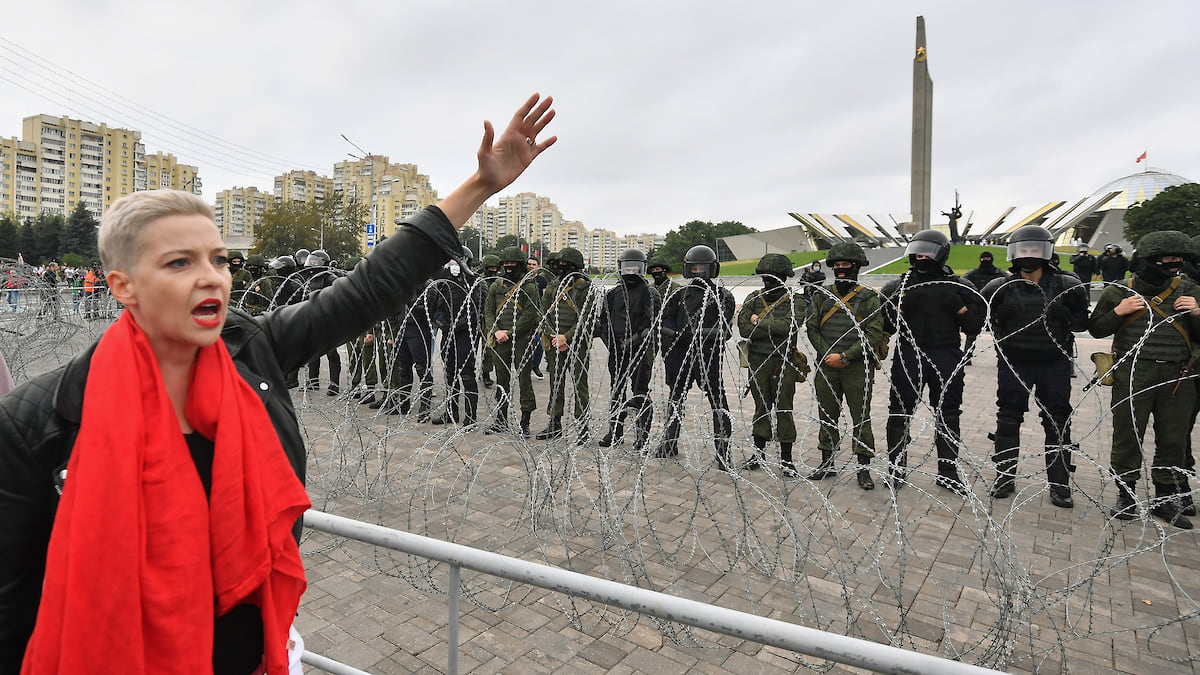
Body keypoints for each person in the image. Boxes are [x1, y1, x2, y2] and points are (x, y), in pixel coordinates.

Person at [0, 93, 557, 672]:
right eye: (179, 263)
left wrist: (478, 186)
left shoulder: (255, 353)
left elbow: (368, 290)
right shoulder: (40, 420)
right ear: (121, 286)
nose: (211, 278)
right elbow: (11, 605)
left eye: (219, 260)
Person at [1088, 230, 1199, 529]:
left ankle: (1165, 497)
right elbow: (1096, 329)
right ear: (1150, 260)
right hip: (1132, 372)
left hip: (1177, 375)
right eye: (1168, 258)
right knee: (1127, 436)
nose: (1175, 264)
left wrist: (1197, 312)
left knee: (1173, 439)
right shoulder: (1120, 291)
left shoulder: (1191, 290)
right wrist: (1119, 312)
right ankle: (1126, 495)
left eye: (1180, 259)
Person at [981, 226, 1089, 508]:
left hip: (1053, 362)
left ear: (1046, 252)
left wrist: (1067, 317)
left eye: (1034, 250)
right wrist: (997, 317)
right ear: (1015, 254)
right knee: (1008, 418)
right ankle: (1004, 477)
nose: (1029, 256)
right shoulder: (999, 287)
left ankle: (1059, 484)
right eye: (1024, 250)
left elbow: (1082, 323)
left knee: (1057, 421)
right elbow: (983, 322)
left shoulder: (1067, 285)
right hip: (1014, 361)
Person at [882, 229, 984, 494]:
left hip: (946, 354)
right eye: (918, 251)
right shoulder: (898, 286)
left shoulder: (960, 286)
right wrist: (900, 308)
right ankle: (896, 467)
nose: (921, 256)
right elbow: (885, 326)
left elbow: (974, 326)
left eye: (927, 252)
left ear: (940, 254)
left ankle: (948, 472)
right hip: (909, 353)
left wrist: (958, 307)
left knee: (948, 413)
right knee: (899, 410)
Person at [805, 242, 883, 488]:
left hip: (857, 368)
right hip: (827, 365)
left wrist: (846, 356)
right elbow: (812, 328)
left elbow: (873, 335)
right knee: (827, 415)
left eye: (845, 265)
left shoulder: (869, 298)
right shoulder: (822, 295)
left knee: (861, 417)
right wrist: (829, 354)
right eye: (836, 265)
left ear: (856, 267)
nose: (840, 269)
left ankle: (863, 468)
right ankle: (827, 462)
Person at [653, 245, 736, 471]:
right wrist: (678, 335)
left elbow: (725, 329)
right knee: (676, 398)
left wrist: (701, 334)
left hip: (708, 354)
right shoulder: (678, 295)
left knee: (718, 402)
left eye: (703, 268)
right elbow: (665, 321)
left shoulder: (723, 297)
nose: (699, 272)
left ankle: (723, 452)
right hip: (681, 353)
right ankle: (669, 442)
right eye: (695, 267)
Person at [737, 253, 808, 476]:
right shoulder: (753, 298)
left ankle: (786, 460)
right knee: (761, 408)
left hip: (783, 362)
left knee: (784, 408)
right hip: (757, 362)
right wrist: (769, 326)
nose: (769, 280)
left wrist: (758, 321)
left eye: (774, 275)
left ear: (783, 277)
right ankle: (758, 454)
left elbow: (790, 326)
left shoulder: (795, 300)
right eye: (766, 276)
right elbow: (743, 329)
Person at [597, 248, 661, 452]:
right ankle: (615, 431)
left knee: (640, 392)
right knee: (616, 390)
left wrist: (634, 341)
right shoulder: (613, 293)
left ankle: (642, 435)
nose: (631, 272)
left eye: (635, 268)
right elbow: (603, 321)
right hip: (617, 348)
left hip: (640, 350)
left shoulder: (650, 293)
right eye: (627, 267)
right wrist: (611, 341)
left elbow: (651, 322)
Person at [534, 247, 595, 442]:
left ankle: (583, 426)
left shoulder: (585, 287)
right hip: (555, 343)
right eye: (559, 265)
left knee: (580, 385)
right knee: (556, 384)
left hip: (577, 343)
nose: (561, 268)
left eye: (565, 265)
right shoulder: (552, 287)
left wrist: (566, 337)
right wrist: (554, 337)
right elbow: (543, 314)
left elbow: (587, 317)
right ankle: (554, 423)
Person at [484, 246, 543, 436]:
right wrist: (495, 331)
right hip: (500, 340)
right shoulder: (496, 286)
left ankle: (525, 422)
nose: (509, 267)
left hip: (521, 341)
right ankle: (500, 420)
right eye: (506, 264)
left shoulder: (529, 287)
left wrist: (509, 332)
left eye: (513, 264)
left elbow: (529, 315)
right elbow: (489, 311)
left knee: (524, 380)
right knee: (502, 380)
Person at [430, 249, 484, 426]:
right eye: (451, 261)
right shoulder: (446, 282)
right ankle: (451, 413)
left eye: (457, 261)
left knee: (467, 374)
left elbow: (477, 310)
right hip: (448, 334)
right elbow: (439, 306)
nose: (453, 265)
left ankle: (470, 416)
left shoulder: (475, 282)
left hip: (466, 333)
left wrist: (458, 325)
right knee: (450, 374)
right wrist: (441, 322)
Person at [301, 249, 345, 396]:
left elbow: (339, 293)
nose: (312, 263)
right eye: (311, 260)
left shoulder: (330, 278)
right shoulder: (309, 278)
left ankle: (334, 385)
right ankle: (312, 381)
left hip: (328, 319)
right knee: (312, 353)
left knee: (331, 353)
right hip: (312, 317)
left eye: (315, 261)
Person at [963, 251, 1009, 362]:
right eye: (984, 259)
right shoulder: (972, 274)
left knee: (998, 334)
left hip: (995, 308)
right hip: (978, 307)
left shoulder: (1000, 275)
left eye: (988, 258)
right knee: (972, 334)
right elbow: (965, 287)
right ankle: (966, 357)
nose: (986, 261)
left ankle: (1002, 357)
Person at [477, 254, 502, 389]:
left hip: (493, 318)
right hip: (480, 318)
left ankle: (486, 372)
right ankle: (483, 372)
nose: (493, 270)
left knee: (490, 347)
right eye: (490, 268)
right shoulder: (479, 281)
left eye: (495, 268)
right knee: (482, 347)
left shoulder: (499, 282)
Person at [526, 255, 551, 379]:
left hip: (538, 315)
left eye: (533, 264)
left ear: (538, 267)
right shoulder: (522, 279)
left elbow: (545, 297)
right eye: (529, 264)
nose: (530, 266)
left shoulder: (542, 280)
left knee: (539, 343)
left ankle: (535, 365)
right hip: (524, 314)